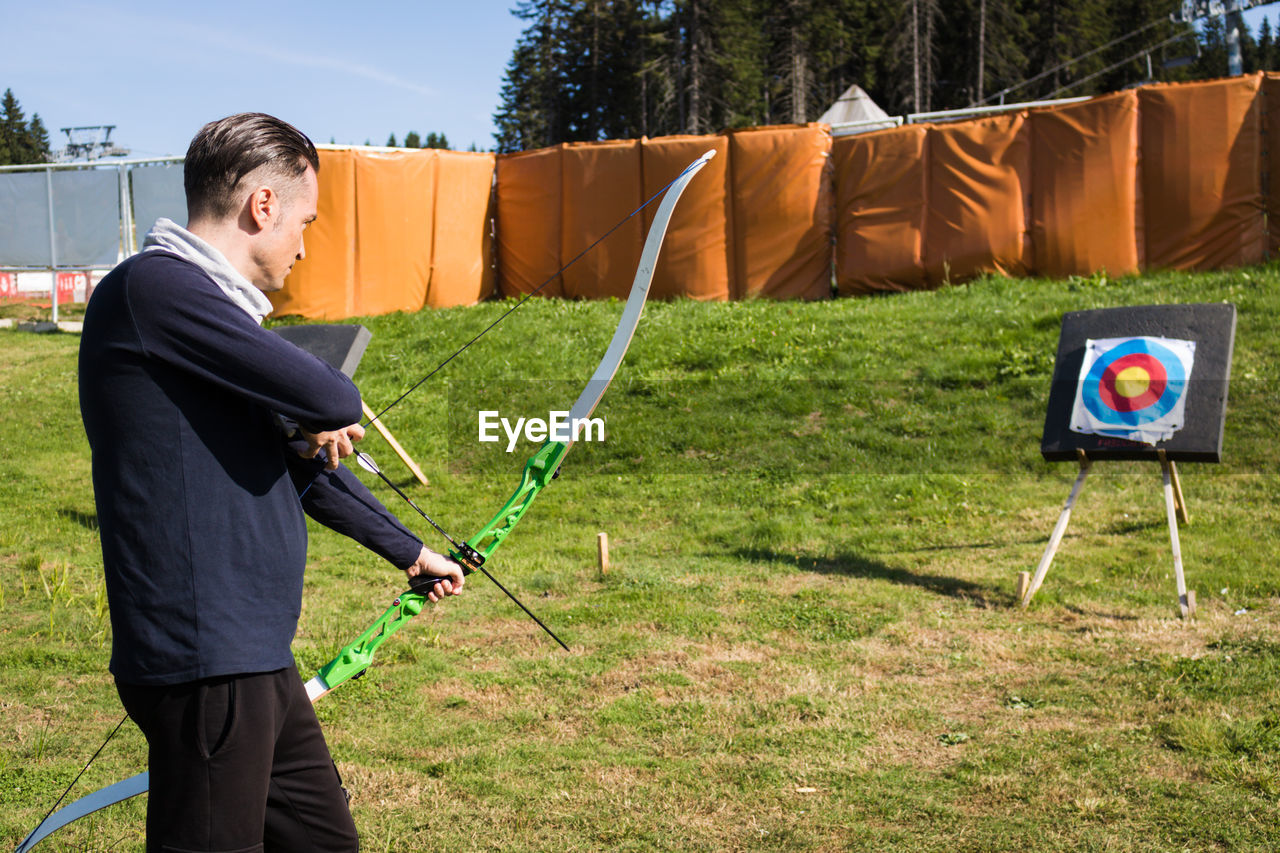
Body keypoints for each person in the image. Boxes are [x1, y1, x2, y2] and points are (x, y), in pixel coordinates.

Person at [78, 112, 463, 852]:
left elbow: (301, 466)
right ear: (262, 206)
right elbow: (334, 401)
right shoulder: (156, 289)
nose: (304, 244)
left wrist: (411, 552)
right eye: (304, 221)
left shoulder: (199, 314)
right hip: (204, 659)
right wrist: (314, 406)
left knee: (322, 841)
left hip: (253, 656)